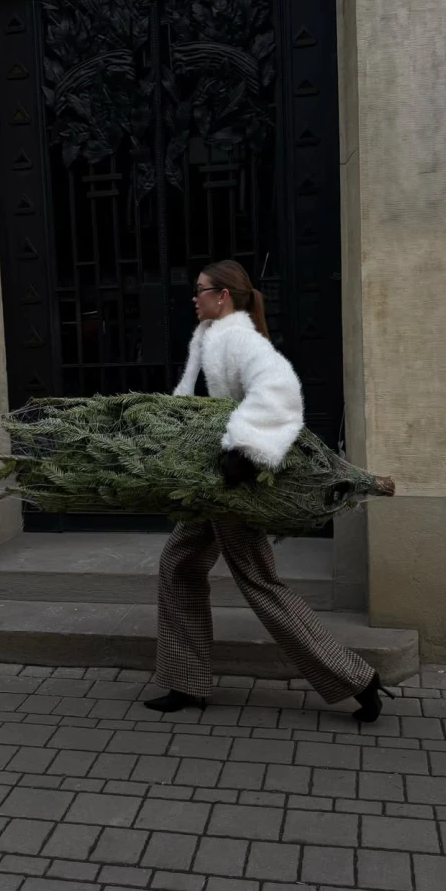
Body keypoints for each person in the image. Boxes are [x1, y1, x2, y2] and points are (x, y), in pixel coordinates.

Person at [144, 259, 393, 723]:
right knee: (179, 564)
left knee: (259, 582)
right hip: (214, 481)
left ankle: (357, 678)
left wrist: (242, 451)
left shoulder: (240, 341)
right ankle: (186, 681)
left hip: (234, 484)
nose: (193, 298)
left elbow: (277, 392)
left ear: (222, 297)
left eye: (199, 290)